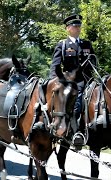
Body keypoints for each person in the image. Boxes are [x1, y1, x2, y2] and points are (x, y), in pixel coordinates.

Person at [49, 14, 96, 148]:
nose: (78, 28)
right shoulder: (63, 45)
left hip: (88, 80)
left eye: (79, 26)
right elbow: (55, 65)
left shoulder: (86, 44)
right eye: (75, 26)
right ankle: (76, 132)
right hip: (71, 82)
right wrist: (55, 81)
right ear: (68, 28)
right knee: (77, 100)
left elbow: (94, 61)